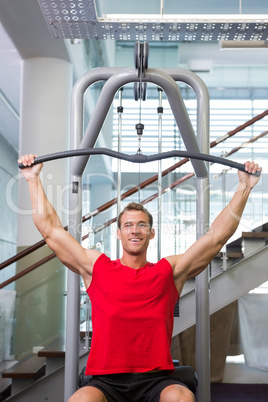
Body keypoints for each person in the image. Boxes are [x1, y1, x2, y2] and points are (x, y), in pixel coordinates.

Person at [18, 154, 261, 402]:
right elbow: (50, 230)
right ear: (118, 233)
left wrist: (244, 187)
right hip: (106, 382)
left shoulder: (168, 271)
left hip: (156, 379)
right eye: (129, 225)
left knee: (182, 398)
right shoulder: (97, 268)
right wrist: (32, 178)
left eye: (142, 225)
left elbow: (215, 238)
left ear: (152, 233)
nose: (135, 230)